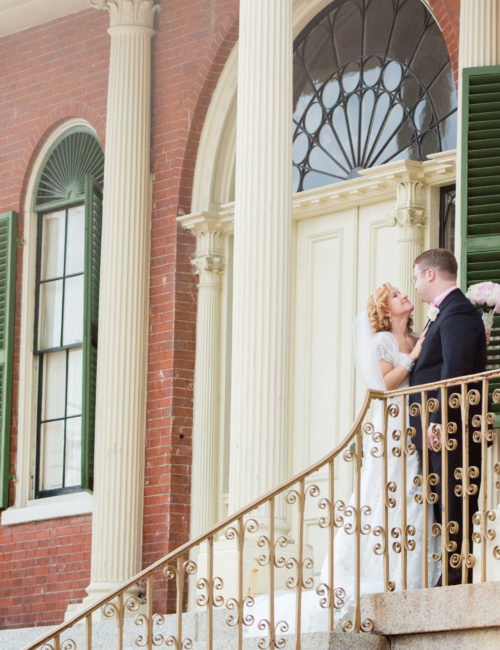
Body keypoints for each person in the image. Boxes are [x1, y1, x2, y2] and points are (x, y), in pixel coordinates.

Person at [245, 283, 440, 636]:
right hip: (392, 424)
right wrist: (411, 358)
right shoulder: (383, 343)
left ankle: (412, 568)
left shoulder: (417, 335)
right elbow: (383, 384)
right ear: (386, 310)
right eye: (396, 296)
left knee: (413, 492)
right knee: (385, 491)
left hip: (416, 422)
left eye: (402, 293)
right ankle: (378, 570)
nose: (403, 297)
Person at [410, 248, 487, 585]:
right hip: (437, 426)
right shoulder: (447, 313)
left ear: (430, 275)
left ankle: (456, 574)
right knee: (443, 497)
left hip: (448, 427)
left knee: (454, 495)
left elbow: (454, 372)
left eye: (415, 277)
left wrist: (440, 421)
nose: (414, 286)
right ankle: (450, 570)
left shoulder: (456, 313)